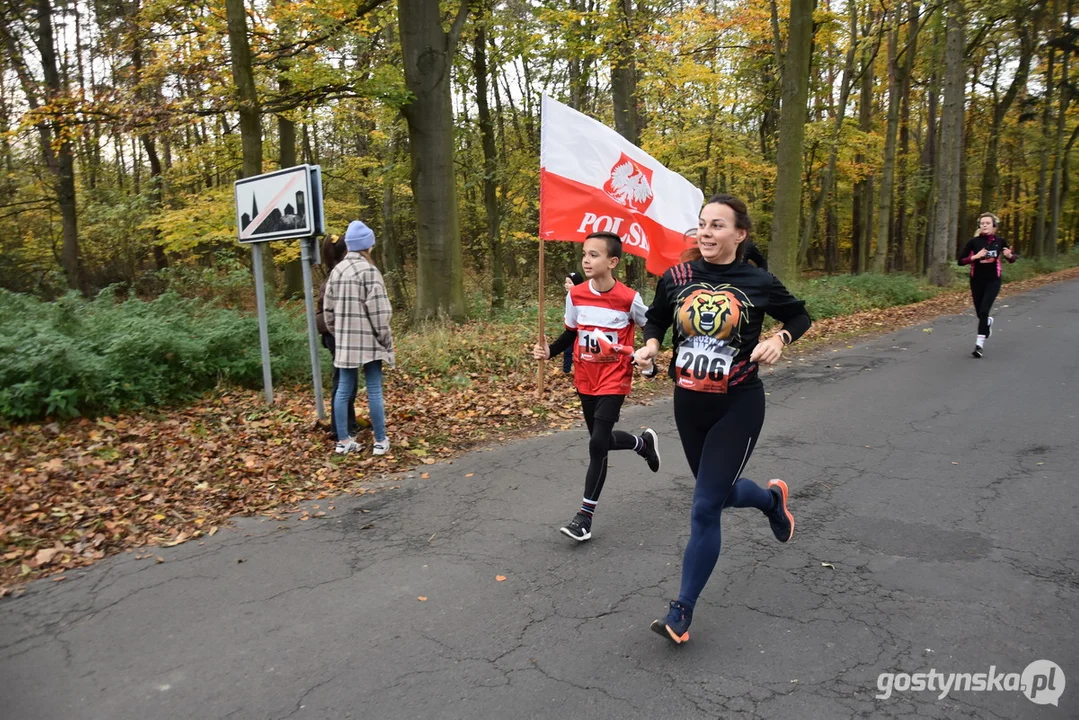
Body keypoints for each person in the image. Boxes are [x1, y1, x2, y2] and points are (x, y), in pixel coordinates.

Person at [634, 194, 811, 645]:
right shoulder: (677, 276)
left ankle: (681, 612)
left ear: (739, 234)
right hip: (688, 402)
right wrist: (652, 346)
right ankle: (772, 501)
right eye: (701, 225)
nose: (706, 233)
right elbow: (655, 320)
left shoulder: (757, 280)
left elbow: (799, 314)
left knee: (705, 506)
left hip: (738, 403)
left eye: (717, 225)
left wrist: (780, 336)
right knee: (720, 493)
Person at [532, 232, 661, 542]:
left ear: (612, 262)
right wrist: (549, 351)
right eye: (584, 254)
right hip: (585, 376)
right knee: (598, 440)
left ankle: (584, 517)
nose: (586, 260)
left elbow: (651, 329)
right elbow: (571, 334)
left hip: (615, 377)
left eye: (594, 255)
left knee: (596, 443)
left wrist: (647, 357)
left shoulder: (629, 298)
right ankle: (641, 444)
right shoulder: (575, 294)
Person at [324, 220, 395, 456]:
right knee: (374, 389)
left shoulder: (336, 271)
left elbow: (328, 311)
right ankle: (380, 441)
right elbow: (380, 312)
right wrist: (385, 338)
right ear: (367, 246)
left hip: (345, 341)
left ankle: (343, 441)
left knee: (343, 389)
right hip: (370, 341)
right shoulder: (369, 271)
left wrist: (338, 333)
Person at [316, 234, 358, 440]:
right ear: (345, 252)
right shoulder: (340, 275)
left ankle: (347, 423)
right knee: (344, 381)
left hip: (333, 334)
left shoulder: (335, 274)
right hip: (337, 334)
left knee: (346, 379)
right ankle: (340, 427)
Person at [958, 212, 1017, 358]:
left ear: (994, 226)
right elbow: (960, 261)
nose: (984, 225)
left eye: (987, 223)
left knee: (984, 311)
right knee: (980, 313)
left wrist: (1010, 256)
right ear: (979, 226)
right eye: (982, 223)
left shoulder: (1000, 241)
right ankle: (988, 322)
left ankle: (979, 346)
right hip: (976, 280)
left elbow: (1011, 258)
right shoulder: (973, 242)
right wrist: (975, 257)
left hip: (993, 280)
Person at [681, 227, 768, 270]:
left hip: (739, 283)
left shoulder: (747, 246)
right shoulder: (710, 244)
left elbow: (761, 262)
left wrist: (759, 278)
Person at [560, 271, 586, 373]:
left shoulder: (580, 297)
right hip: (571, 328)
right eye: (566, 282)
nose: (566, 284)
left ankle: (579, 370)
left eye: (570, 283)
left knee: (578, 350)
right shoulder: (569, 296)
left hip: (579, 328)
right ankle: (566, 370)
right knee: (567, 349)